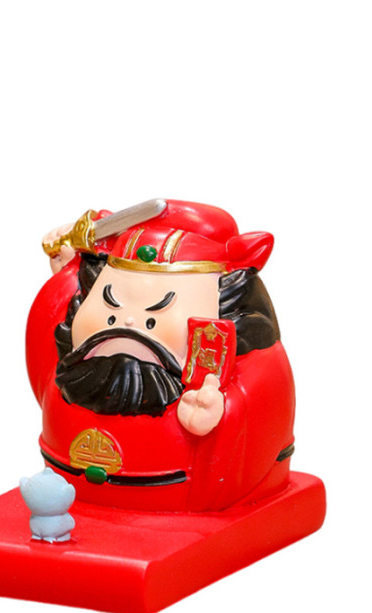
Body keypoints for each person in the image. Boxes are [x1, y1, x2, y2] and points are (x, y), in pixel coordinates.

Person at [26, 200, 295, 512]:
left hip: (174, 498)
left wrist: (222, 413)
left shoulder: (242, 361)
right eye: (110, 314)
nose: (128, 324)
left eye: (152, 321)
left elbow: (267, 398)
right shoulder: (75, 368)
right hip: (68, 489)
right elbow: (45, 330)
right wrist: (71, 266)